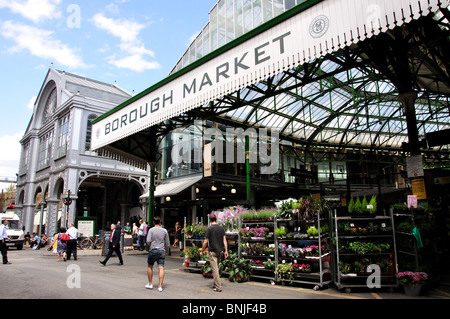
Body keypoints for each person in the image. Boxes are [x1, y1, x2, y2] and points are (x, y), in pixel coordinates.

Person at [200, 213, 228, 292]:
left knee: (215, 269)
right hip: (220, 251)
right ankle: (216, 284)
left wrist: (202, 250)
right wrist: (226, 251)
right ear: (216, 219)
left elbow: (205, 241)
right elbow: (224, 240)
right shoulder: (221, 228)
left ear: (210, 220)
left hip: (212, 251)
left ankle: (218, 287)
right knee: (216, 269)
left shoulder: (209, 229)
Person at [145, 216, 170, 292]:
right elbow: (167, 243)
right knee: (161, 267)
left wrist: (151, 245)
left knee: (150, 266)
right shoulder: (164, 231)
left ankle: (150, 283)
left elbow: (148, 240)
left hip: (153, 250)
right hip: (161, 250)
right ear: (160, 222)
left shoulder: (151, 230)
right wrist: (167, 251)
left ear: (153, 222)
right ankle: (160, 286)